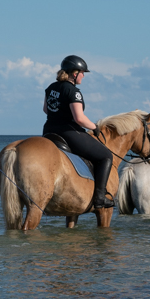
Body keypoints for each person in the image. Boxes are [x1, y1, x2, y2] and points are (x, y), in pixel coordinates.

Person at [42, 55, 115, 209]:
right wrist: (94, 127)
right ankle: (100, 198)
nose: (83, 76)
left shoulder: (51, 88)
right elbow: (79, 118)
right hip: (69, 133)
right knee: (106, 156)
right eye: (82, 73)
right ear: (74, 73)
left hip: (49, 131)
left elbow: (46, 110)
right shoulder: (73, 92)